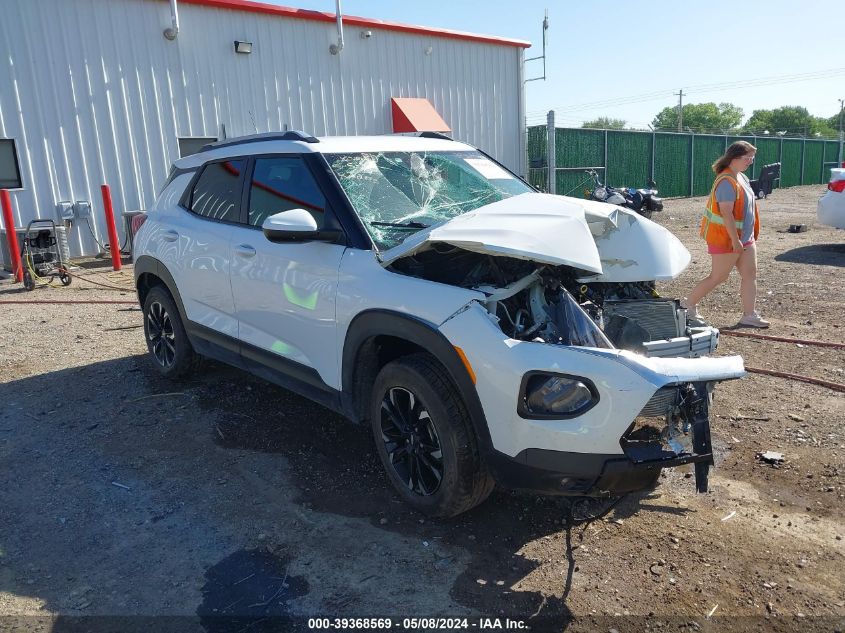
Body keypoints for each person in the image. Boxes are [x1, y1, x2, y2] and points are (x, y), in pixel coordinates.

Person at [681, 141, 769, 328]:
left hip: (744, 239)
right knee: (718, 277)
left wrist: (745, 238)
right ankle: (687, 306)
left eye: (752, 157)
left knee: (750, 275)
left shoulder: (741, 178)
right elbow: (726, 213)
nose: (750, 161)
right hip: (726, 240)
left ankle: (749, 315)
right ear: (734, 158)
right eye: (747, 158)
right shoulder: (726, 181)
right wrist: (736, 241)